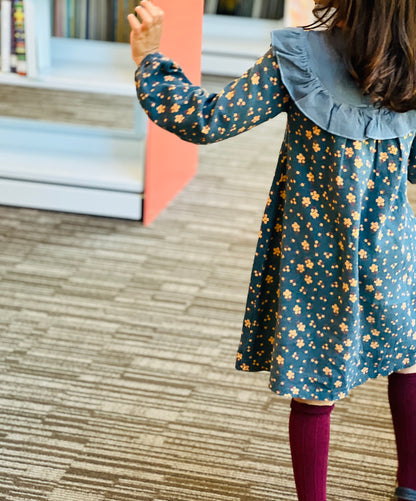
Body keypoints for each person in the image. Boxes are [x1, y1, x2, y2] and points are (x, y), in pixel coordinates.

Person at [128, 1, 416, 500]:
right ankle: (411, 485)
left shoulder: (299, 56)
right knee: (410, 363)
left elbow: (206, 120)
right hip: (392, 250)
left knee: (313, 393)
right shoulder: (411, 64)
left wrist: (150, 59)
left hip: (313, 261)